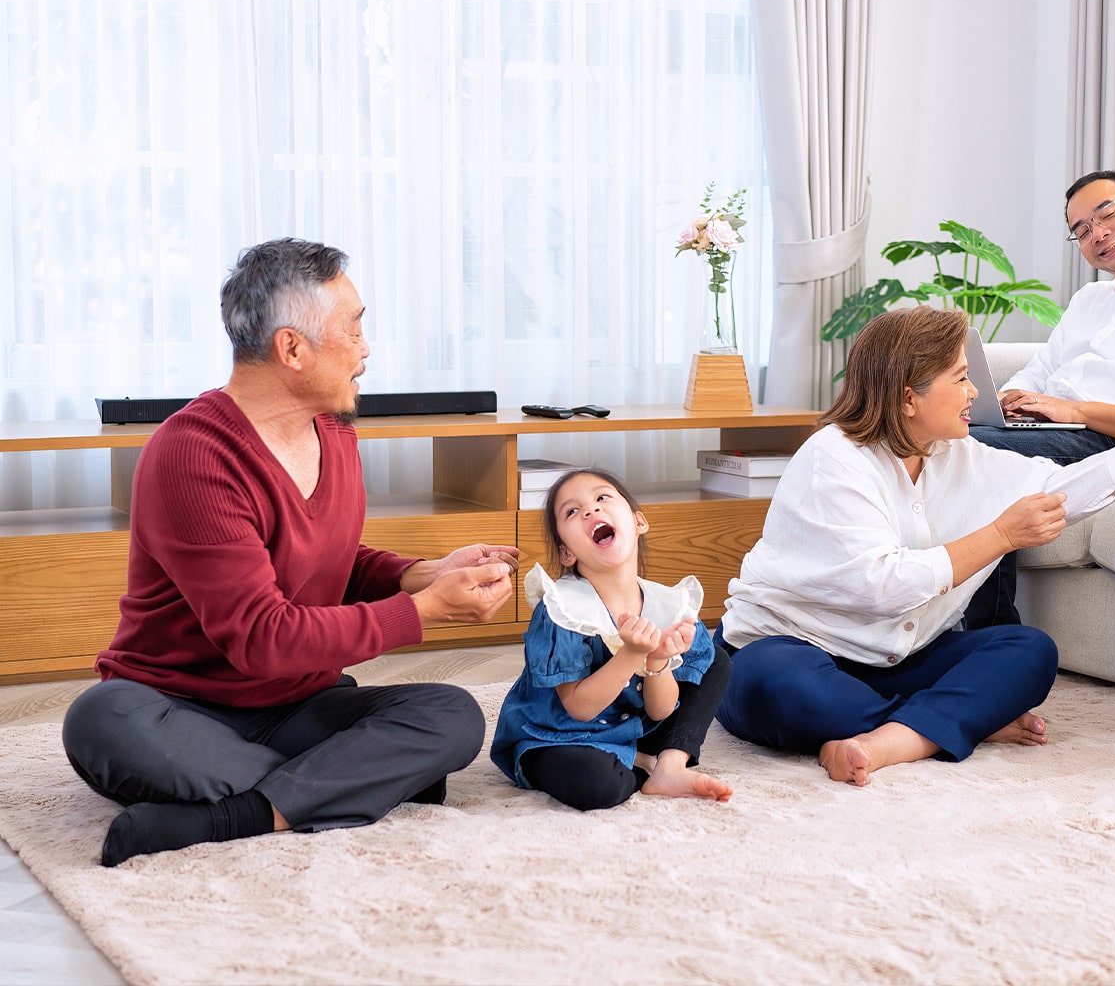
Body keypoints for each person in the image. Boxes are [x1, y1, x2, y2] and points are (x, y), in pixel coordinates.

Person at [61, 238, 520, 867]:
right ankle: (352, 783)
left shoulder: (333, 429)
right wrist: (424, 612)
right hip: (177, 707)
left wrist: (422, 575)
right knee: (100, 719)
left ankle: (237, 814)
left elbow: (331, 559)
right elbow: (261, 637)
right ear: (293, 348)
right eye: (354, 330)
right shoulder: (194, 454)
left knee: (451, 713)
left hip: (299, 704)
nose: (366, 350)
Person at [713, 306, 1115, 786]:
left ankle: (886, 740)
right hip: (797, 645)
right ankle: (948, 721)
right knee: (773, 687)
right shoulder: (835, 458)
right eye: (961, 379)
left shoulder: (961, 453)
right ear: (907, 396)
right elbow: (882, 588)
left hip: (899, 655)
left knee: (1029, 652)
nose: (974, 394)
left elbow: (1068, 487)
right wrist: (1000, 536)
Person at [964, 170, 1115, 630]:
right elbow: (1041, 369)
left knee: (976, 454)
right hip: (1047, 427)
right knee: (931, 439)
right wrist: (1008, 398)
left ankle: (991, 636)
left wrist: (1074, 411)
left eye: (1107, 214)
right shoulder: (1089, 298)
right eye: (1080, 230)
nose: (1096, 234)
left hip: (1107, 443)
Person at [490, 469, 733, 810]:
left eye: (602, 498)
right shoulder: (562, 609)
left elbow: (660, 708)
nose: (591, 511)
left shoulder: (665, 605)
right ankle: (644, 764)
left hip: (632, 724)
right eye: (572, 512)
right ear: (566, 554)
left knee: (715, 661)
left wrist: (658, 662)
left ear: (639, 523)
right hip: (559, 737)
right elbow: (580, 708)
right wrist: (633, 653)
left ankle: (670, 766)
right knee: (597, 785)